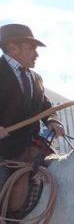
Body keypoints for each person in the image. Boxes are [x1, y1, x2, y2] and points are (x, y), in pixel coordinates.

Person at [0, 23, 64, 194]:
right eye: (31, 48)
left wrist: (52, 120)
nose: (36, 54)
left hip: (33, 148)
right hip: (3, 152)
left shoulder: (35, 78)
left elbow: (45, 105)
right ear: (13, 48)